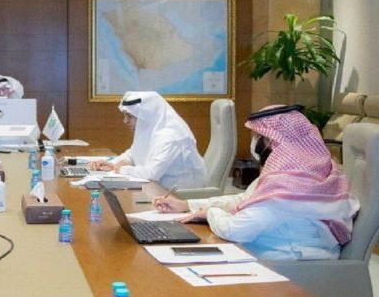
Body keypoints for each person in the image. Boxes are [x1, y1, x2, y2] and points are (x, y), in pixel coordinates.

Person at [153, 105, 359, 260]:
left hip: (289, 264)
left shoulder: (288, 185)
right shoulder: (307, 170)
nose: (253, 143)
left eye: (256, 136)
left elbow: (236, 229)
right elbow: (245, 199)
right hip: (279, 251)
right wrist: (187, 205)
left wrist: (210, 214)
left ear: (270, 140)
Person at [88, 91, 206, 189]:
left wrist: (122, 169)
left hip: (180, 196)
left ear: (147, 115)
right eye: (125, 115)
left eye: (130, 116)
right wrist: (111, 163)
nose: (125, 121)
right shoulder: (150, 130)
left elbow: (151, 173)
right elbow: (131, 155)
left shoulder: (171, 136)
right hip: (158, 191)